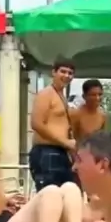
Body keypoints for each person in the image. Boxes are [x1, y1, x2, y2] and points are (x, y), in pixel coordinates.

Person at [29, 59, 76, 192]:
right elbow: (36, 123)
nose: (66, 75)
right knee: (49, 194)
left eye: (70, 73)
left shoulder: (61, 96)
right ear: (54, 72)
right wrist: (64, 142)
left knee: (65, 193)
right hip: (46, 151)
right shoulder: (46, 94)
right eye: (63, 71)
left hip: (61, 152)